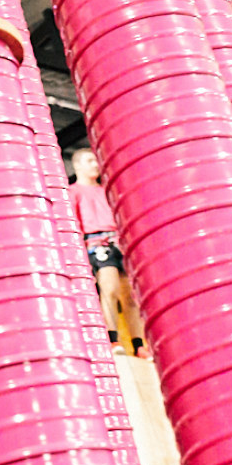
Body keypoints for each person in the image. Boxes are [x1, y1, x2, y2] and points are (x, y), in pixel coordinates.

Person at [68, 146, 143, 356]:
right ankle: (113, 340)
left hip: (118, 241)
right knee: (109, 289)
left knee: (129, 296)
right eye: (90, 161)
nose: (95, 165)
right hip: (96, 241)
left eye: (95, 161)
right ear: (78, 165)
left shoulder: (106, 190)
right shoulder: (73, 192)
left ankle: (139, 345)